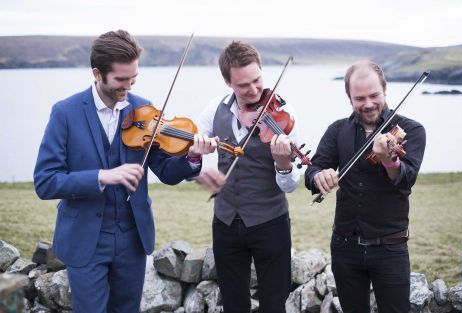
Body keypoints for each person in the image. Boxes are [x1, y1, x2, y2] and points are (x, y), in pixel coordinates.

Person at [33, 30, 217, 313]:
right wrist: (102, 176)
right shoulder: (65, 113)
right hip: (85, 238)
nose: (128, 87)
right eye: (120, 80)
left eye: (133, 79)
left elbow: (167, 172)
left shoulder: (143, 109)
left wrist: (191, 157)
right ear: (97, 73)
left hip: (131, 238)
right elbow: (46, 182)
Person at [305, 60, 426, 313]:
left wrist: (389, 160)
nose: (368, 103)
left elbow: (406, 178)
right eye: (360, 98)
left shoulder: (411, 130)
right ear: (349, 97)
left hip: (390, 248)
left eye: (374, 95)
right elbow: (312, 171)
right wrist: (319, 176)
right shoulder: (337, 130)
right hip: (345, 247)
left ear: (385, 89)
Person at [195, 41, 300, 313]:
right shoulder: (213, 109)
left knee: (274, 304)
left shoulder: (283, 117)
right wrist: (198, 163)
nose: (253, 90)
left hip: (270, 222)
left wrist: (283, 162)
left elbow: (290, 185)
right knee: (233, 303)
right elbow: (189, 153)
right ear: (228, 82)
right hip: (226, 221)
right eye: (243, 85)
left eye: (257, 80)